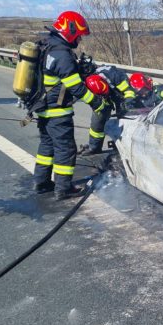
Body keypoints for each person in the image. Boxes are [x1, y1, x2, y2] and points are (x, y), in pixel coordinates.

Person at [32, 11, 107, 200]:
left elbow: (58, 77)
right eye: (78, 35)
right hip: (58, 112)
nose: (79, 39)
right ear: (70, 29)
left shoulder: (47, 45)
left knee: (47, 147)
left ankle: (42, 183)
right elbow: (75, 87)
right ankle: (63, 189)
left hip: (43, 109)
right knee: (65, 149)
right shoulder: (62, 53)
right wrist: (96, 102)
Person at [79, 64, 137, 155]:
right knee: (98, 118)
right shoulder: (88, 83)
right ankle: (94, 147)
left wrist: (127, 103)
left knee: (124, 118)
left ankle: (128, 146)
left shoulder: (116, 77)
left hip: (120, 94)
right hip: (104, 96)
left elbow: (129, 91)